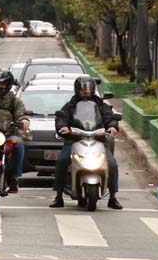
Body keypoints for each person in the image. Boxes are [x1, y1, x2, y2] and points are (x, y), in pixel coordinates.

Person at [50, 76, 122, 209]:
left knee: (111, 164)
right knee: (62, 161)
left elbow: (109, 117)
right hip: (74, 139)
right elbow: (61, 119)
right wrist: (63, 127)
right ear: (77, 90)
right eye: (83, 89)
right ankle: (58, 196)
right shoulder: (70, 106)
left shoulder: (101, 105)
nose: (86, 92)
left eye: (88, 89)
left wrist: (112, 125)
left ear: (93, 89)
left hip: (98, 139)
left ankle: (113, 197)